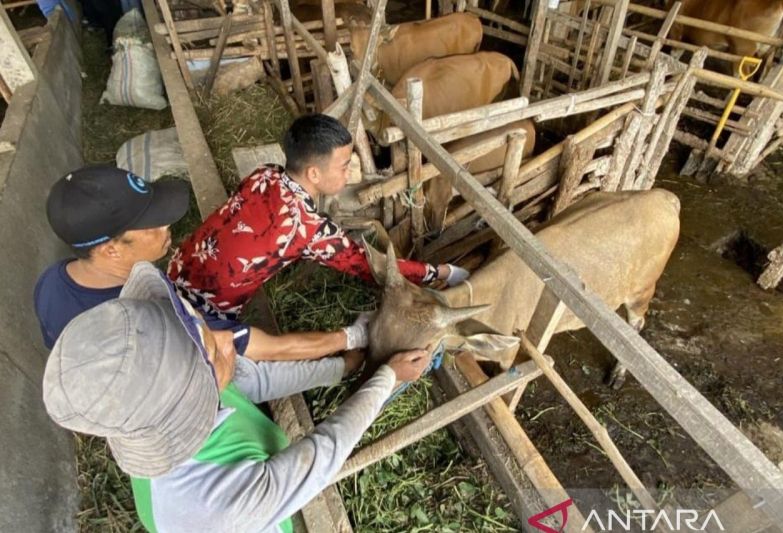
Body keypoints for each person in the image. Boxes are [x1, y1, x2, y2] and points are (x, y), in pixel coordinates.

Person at [42, 262, 431, 533]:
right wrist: (387, 378)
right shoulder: (214, 508)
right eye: (213, 349)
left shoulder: (151, 400)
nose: (229, 339)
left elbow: (254, 380)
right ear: (189, 393)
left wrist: (340, 369)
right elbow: (324, 452)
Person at [34, 166, 369, 360]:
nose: (168, 227)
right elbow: (265, 347)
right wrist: (349, 339)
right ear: (111, 250)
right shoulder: (158, 314)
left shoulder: (51, 281)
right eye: (153, 225)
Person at [167, 114, 470, 319]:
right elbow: (372, 267)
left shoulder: (266, 173)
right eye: (343, 166)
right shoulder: (306, 229)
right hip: (203, 310)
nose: (349, 171)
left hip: (178, 268)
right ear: (314, 172)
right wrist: (440, 272)